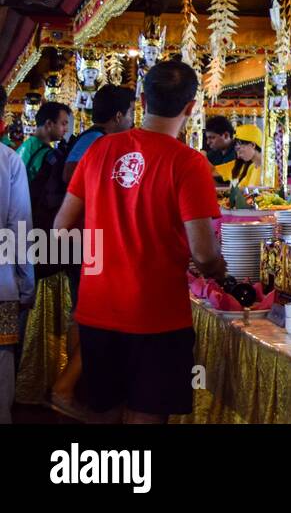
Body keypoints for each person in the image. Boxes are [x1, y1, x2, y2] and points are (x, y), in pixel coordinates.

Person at [54, 60, 225, 423]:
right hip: (156, 315)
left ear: (142, 101)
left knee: (105, 415)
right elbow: (204, 253)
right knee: (146, 418)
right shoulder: (189, 163)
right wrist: (218, 268)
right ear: (191, 108)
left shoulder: (98, 151)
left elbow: (61, 229)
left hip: (98, 308)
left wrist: (104, 253)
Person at [50, 84, 135, 413]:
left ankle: (75, 387)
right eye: (130, 113)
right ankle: (68, 387)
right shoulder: (97, 141)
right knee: (94, 317)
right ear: (118, 115)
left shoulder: (95, 140)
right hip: (86, 240)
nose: (131, 120)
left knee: (89, 315)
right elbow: (73, 176)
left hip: (86, 239)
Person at [0, 141, 34, 424]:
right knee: (1, 359)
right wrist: (26, 285)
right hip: (3, 285)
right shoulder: (9, 161)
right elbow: (19, 228)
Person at [16, 102, 71, 188]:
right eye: (63, 124)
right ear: (49, 124)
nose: (66, 129)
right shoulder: (46, 155)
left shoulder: (26, 145)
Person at [203, 116, 237, 183]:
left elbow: (217, 175)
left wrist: (202, 157)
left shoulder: (239, 152)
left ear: (226, 135)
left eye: (212, 138)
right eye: (207, 138)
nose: (208, 142)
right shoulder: (215, 152)